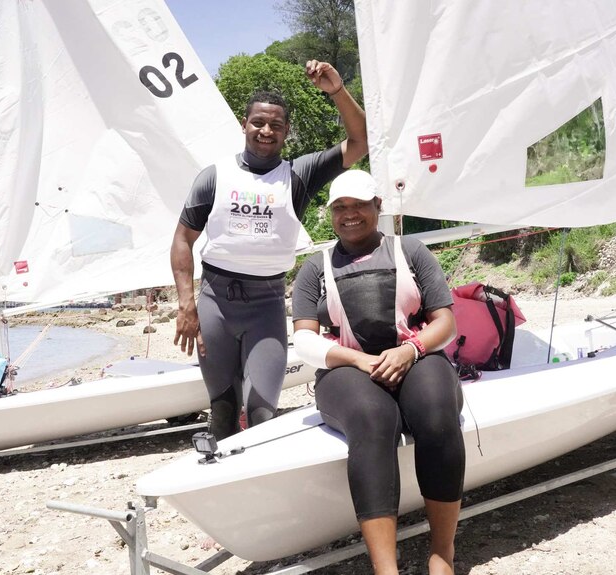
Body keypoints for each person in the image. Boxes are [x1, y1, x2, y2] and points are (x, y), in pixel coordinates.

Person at [171, 60, 368, 441]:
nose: (266, 131)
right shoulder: (213, 177)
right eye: (258, 123)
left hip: (267, 306)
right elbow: (183, 239)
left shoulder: (298, 175)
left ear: (286, 132)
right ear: (244, 125)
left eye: (276, 125)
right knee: (223, 411)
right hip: (215, 304)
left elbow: (360, 142)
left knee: (263, 412)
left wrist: (337, 91)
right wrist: (186, 303)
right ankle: (223, 488)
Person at [291, 170, 464, 575]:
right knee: (373, 419)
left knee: (437, 413)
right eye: (340, 208)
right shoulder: (314, 268)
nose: (349, 215)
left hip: (415, 356)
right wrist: (359, 361)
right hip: (347, 369)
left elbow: (445, 323)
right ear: (331, 214)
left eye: (358, 206)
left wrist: (411, 349)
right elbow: (304, 341)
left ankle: (442, 553)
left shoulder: (412, 251)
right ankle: (386, 569)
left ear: (377, 207)